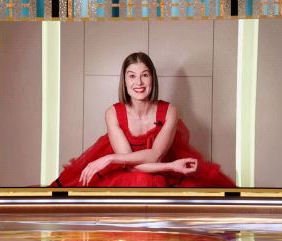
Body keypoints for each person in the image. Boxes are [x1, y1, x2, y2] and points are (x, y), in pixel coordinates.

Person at [50, 52, 235, 188]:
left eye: (144, 75)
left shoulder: (170, 111)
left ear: (152, 79)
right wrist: (171, 166)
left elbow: (155, 155)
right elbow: (130, 167)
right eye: (132, 76)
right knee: (140, 180)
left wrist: (109, 158)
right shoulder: (112, 113)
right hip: (125, 173)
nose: (138, 83)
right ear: (124, 81)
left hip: (161, 170)